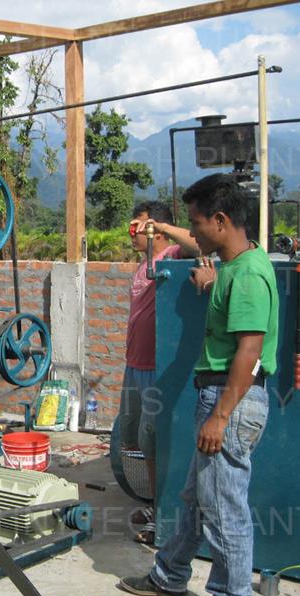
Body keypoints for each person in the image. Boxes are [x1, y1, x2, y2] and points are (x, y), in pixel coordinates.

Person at [118, 174, 279, 596]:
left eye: (197, 222)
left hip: (230, 401)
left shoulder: (247, 275)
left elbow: (249, 354)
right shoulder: (234, 269)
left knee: (223, 504)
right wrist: (211, 284)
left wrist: (222, 416)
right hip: (217, 398)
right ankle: (169, 575)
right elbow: (234, 320)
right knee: (195, 497)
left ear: (221, 221)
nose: (195, 232)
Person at [121, 201, 199, 544]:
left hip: (156, 368)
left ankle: (164, 518)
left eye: (138, 227)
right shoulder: (143, 266)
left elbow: (200, 246)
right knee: (136, 439)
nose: (133, 234)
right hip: (134, 365)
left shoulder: (172, 257)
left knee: (155, 443)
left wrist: (163, 230)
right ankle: (157, 504)